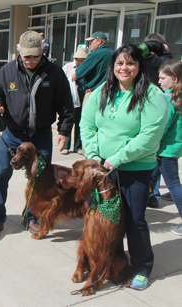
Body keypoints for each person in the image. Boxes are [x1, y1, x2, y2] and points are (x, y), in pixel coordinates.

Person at [80, 43, 169, 291]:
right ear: (113, 66)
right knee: (102, 219)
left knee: (134, 220)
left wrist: (116, 158)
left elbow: (149, 137)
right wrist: (94, 153)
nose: (124, 67)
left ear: (139, 66)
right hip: (102, 168)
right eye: (120, 63)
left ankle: (142, 266)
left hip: (135, 169)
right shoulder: (102, 91)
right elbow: (87, 124)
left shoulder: (153, 96)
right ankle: (106, 261)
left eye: (130, 63)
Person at [0, 30, 74, 239]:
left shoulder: (54, 73)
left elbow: (66, 105)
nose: (31, 60)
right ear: (20, 52)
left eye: (35, 55)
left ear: (43, 51)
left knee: (40, 181)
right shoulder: (7, 71)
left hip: (41, 135)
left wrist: (64, 131)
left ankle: (31, 217)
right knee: (0, 176)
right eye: (27, 56)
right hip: (12, 135)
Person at [147, 60, 182, 233]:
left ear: (175, 79)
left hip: (164, 149)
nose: (159, 81)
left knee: (173, 184)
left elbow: (163, 125)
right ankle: (149, 198)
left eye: (162, 78)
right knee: (151, 176)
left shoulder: (169, 99)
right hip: (172, 147)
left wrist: (153, 145)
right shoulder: (179, 97)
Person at [76, 31, 114, 106]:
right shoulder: (114, 54)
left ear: (99, 41)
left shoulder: (95, 54)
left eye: (91, 42)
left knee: (87, 117)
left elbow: (79, 73)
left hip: (93, 94)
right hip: (110, 94)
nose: (89, 45)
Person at [62, 48, 88, 155]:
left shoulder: (87, 67)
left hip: (82, 96)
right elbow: (62, 80)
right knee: (69, 122)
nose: (81, 62)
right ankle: (66, 146)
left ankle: (78, 146)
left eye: (83, 60)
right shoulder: (68, 66)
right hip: (70, 98)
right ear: (75, 59)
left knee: (80, 123)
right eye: (79, 60)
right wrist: (70, 77)